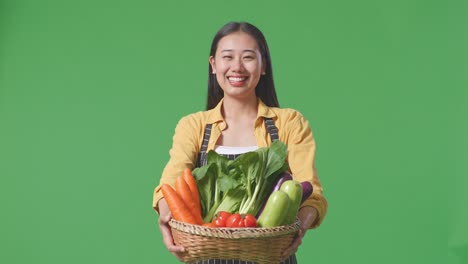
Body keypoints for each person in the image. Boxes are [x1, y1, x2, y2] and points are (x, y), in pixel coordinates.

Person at [152, 21, 328, 263]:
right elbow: (170, 184)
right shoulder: (193, 126)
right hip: (209, 256)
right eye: (227, 57)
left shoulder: (289, 123)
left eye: (248, 57)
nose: (237, 67)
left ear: (263, 65)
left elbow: (312, 192)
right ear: (213, 65)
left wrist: (300, 226)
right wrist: (167, 215)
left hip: (270, 256)